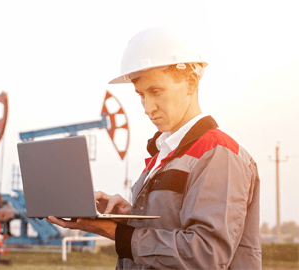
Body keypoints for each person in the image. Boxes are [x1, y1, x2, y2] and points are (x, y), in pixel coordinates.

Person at [47, 27, 261, 269]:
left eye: (156, 91)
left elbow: (206, 255)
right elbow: (166, 231)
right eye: (141, 95)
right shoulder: (163, 156)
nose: (148, 108)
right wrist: (126, 217)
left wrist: (117, 234)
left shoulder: (218, 153)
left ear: (191, 82)